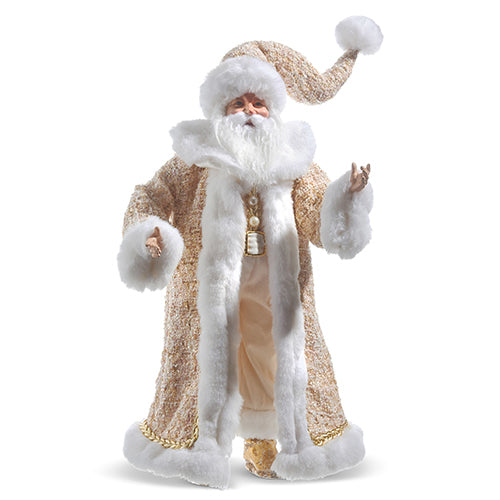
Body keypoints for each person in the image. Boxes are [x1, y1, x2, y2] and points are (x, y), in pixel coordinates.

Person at [117, 16, 382, 489]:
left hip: (277, 280)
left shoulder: (294, 159)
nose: (249, 112)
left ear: (272, 110)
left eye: (258, 103)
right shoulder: (194, 158)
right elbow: (151, 196)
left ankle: (265, 438)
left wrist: (347, 197)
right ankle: (202, 446)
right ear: (221, 110)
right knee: (212, 354)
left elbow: (316, 214)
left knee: (275, 353)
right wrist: (149, 233)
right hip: (209, 283)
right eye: (238, 103)